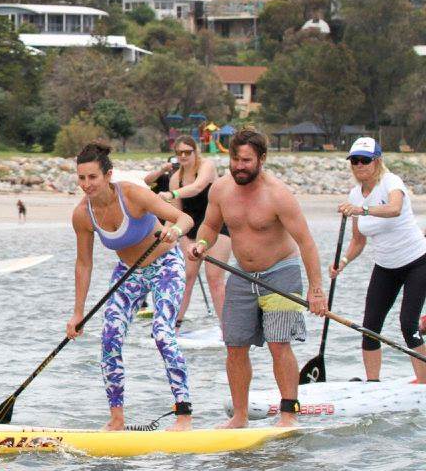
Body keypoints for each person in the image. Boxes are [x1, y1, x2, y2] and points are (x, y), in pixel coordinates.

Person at [190, 130, 328, 428]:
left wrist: (317, 291)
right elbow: (210, 227)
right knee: (234, 345)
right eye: (235, 159)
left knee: (279, 344)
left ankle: (288, 415)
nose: (239, 166)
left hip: (281, 274)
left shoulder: (278, 194)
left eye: (246, 160)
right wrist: (201, 245)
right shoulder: (221, 190)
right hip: (241, 274)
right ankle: (239, 417)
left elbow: (306, 242)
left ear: (262, 160)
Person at [69, 140, 196, 431]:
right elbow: (83, 264)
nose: (87, 184)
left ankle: (184, 415)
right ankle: (117, 419)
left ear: (108, 175)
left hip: (165, 264)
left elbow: (184, 217)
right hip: (129, 272)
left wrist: (174, 230)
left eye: (92, 177)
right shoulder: (82, 214)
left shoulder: (133, 195)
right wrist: (77, 312)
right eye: (81, 178)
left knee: (162, 333)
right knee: (109, 337)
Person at [329, 137, 426, 382]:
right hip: (385, 266)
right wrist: (343, 262)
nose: (359, 165)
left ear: (377, 161)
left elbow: (394, 208)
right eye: (354, 161)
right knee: (369, 327)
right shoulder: (354, 194)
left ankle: (424, 382)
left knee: (408, 325)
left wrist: (362, 210)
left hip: (417, 261)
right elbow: (358, 241)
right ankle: (373, 383)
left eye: (365, 160)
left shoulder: (391, 182)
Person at [159, 135, 228, 326]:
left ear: (195, 152)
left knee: (214, 278)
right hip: (191, 230)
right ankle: (174, 328)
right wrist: (163, 235)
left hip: (217, 226)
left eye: (187, 152)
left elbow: (197, 188)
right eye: (179, 153)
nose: (183, 156)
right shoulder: (175, 179)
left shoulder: (207, 166)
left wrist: (171, 194)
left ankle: (227, 330)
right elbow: (174, 215)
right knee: (185, 278)